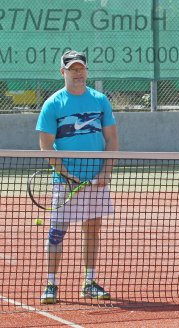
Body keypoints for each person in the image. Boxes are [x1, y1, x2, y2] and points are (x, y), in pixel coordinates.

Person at [36, 50, 119, 304]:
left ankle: (89, 281)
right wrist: (66, 174)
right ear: (63, 72)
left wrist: (106, 171)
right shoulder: (53, 104)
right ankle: (51, 284)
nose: (78, 73)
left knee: (92, 231)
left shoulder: (100, 100)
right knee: (57, 233)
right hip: (65, 182)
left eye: (81, 68)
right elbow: (46, 146)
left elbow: (112, 138)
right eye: (72, 69)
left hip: (96, 181)